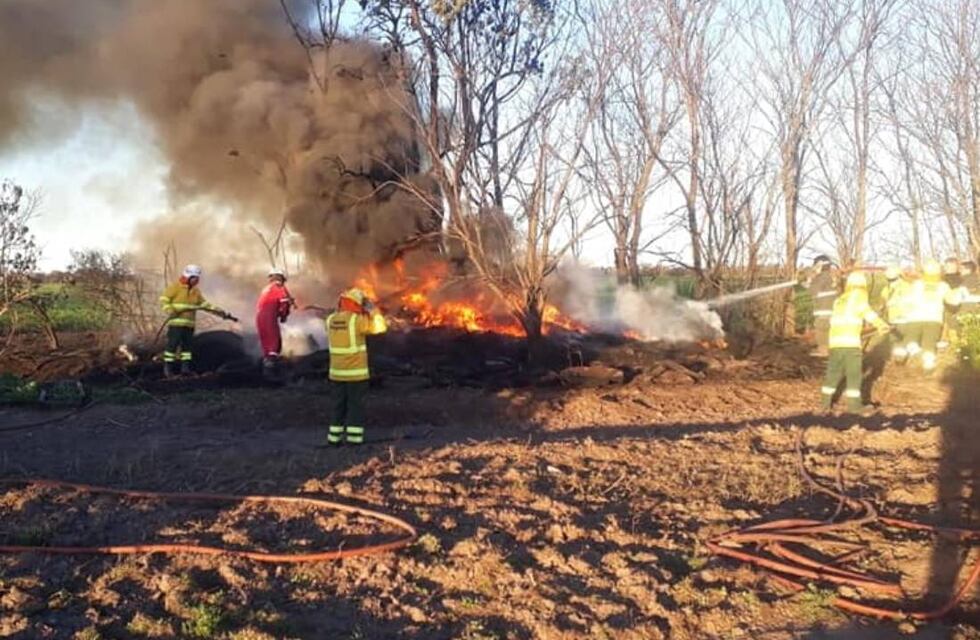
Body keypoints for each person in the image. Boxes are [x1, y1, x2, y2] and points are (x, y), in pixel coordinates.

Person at [820, 271, 890, 414]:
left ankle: (824, 404)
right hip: (850, 343)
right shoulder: (858, 298)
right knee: (854, 375)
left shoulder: (839, 300)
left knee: (832, 373)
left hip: (835, 343)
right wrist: (881, 325)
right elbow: (868, 313)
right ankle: (854, 407)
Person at [325, 288, 388, 446]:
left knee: (338, 405)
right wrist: (373, 311)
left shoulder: (330, 320)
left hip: (336, 374)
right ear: (356, 304)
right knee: (355, 406)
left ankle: (334, 439)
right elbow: (381, 327)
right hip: (356, 374)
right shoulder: (357, 321)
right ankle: (354, 440)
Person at [159, 264, 234, 378]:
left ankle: (185, 369)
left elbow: (205, 305)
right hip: (176, 323)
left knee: (187, 349)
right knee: (172, 347)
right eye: (195, 278)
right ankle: (168, 369)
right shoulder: (175, 287)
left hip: (189, 324)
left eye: (197, 278)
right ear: (188, 277)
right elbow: (164, 299)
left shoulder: (196, 292)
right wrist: (170, 310)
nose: (196, 280)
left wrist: (220, 312)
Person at [904, 259, 962, 373]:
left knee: (910, 340)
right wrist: (958, 294)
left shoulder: (916, 284)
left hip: (914, 318)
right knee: (929, 343)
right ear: (939, 272)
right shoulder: (943, 286)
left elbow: (906, 300)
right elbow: (953, 301)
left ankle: (914, 350)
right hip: (934, 319)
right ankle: (928, 364)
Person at [255, 268, 294, 368]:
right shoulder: (279, 287)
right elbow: (284, 302)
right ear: (280, 277)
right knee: (274, 342)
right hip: (269, 316)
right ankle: (272, 368)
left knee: (266, 342)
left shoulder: (265, 289)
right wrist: (283, 316)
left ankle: (266, 362)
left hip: (259, 316)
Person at [806, 255, 838, 356]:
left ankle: (823, 351)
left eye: (815, 266)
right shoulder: (828, 277)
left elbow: (812, 291)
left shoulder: (821, 277)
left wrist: (810, 279)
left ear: (820, 265)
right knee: (826, 330)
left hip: (824, 309)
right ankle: (827, 349)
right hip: (830, 308)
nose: (814, 268)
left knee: (821, 328)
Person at [881, 265, 914, 360]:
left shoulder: (903, 287)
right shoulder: (905, 286)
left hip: (901, 317)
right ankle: (900, 356)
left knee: (898, 339)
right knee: (897, 339)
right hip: (897, 318)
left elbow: (910, 300)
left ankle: (900, 357)